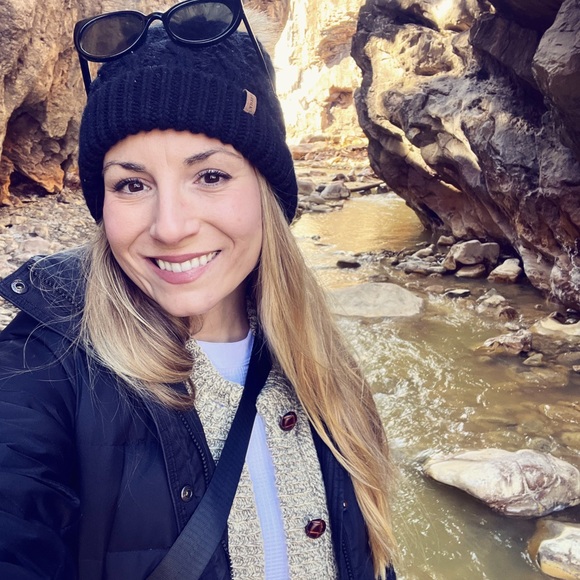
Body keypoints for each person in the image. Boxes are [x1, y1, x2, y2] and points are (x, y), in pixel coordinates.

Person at [0, 1, 397, 579]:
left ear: (266, 190)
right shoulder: (44, 363)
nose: (170, 227)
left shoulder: (324, 365)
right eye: (131, 184)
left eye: (210, 176)